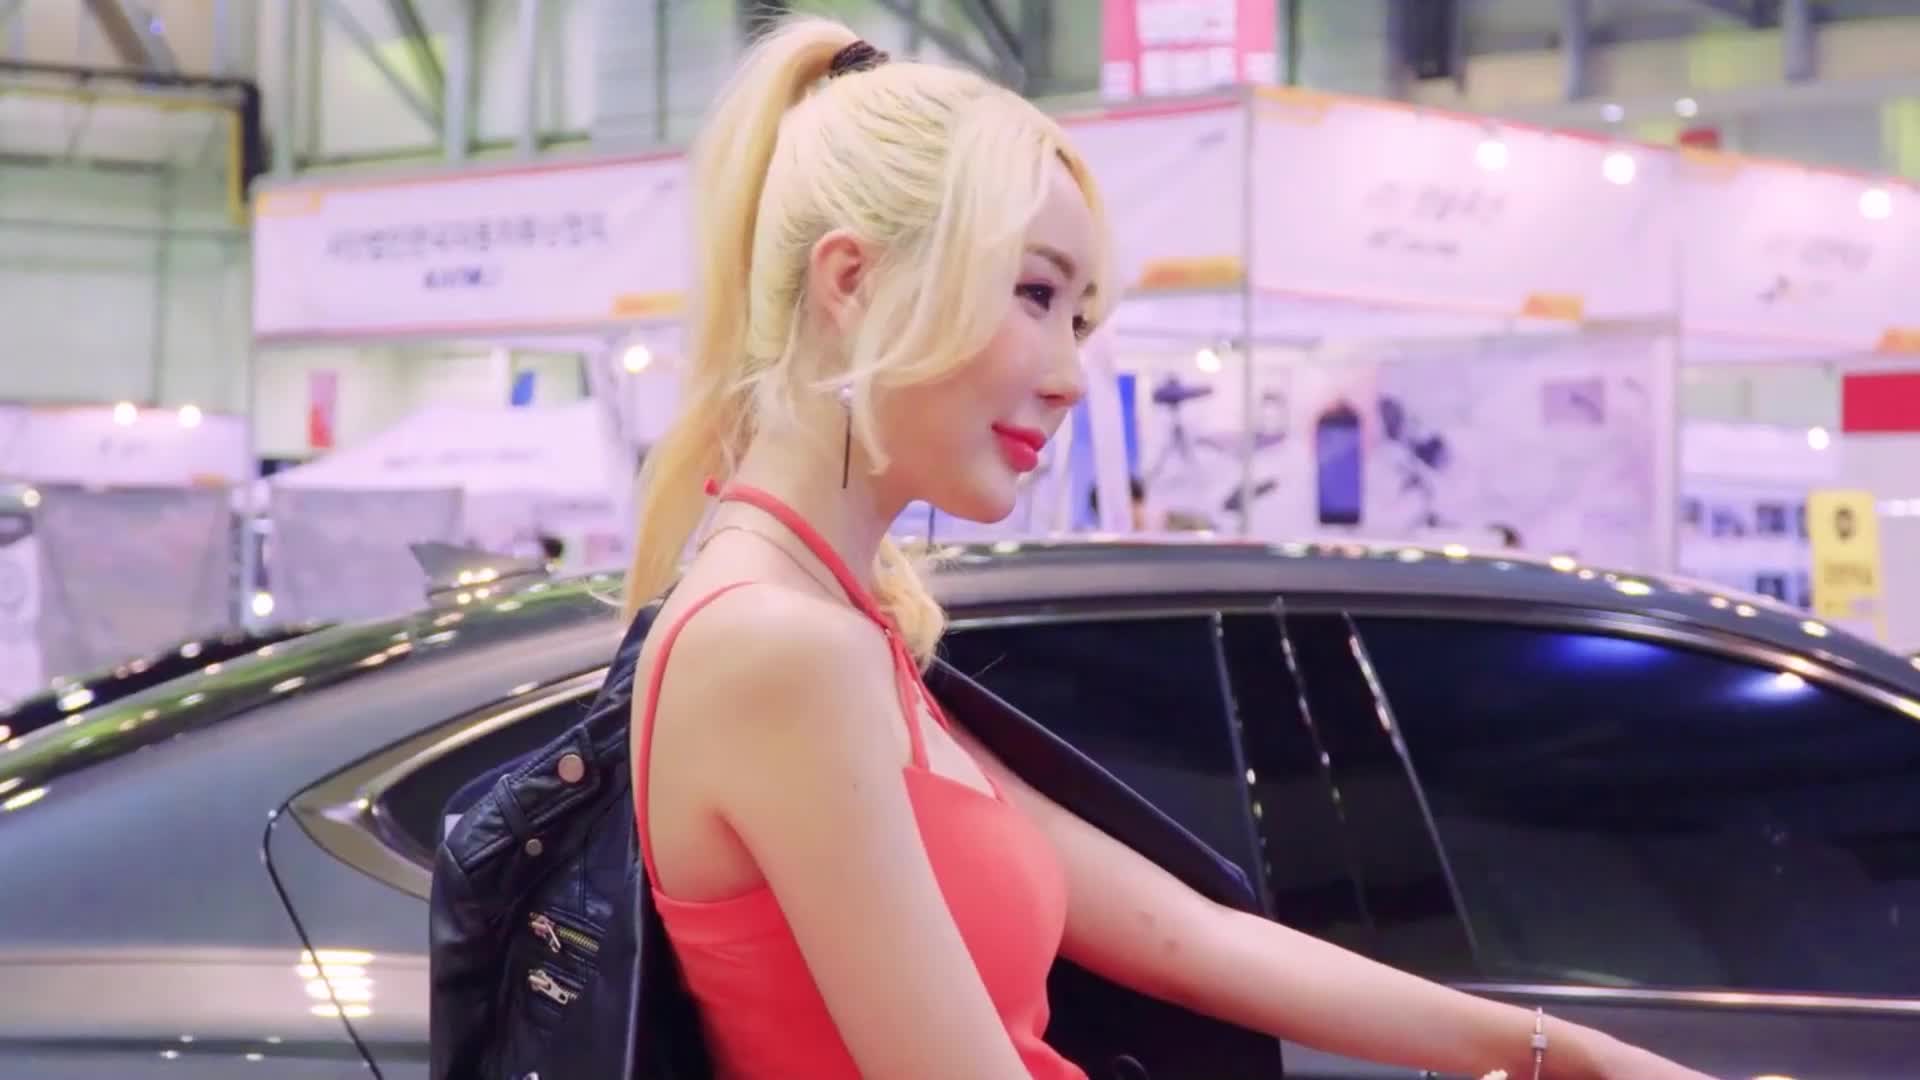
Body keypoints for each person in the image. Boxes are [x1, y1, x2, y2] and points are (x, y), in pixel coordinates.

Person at [622, 17, 1716, 1080]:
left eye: (1078, 320)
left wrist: (1562, 1053)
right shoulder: (781, 647)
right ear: (852, 281)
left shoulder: (833, 624)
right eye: (1034, 293)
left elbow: (1187, 938)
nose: (1069, 377)